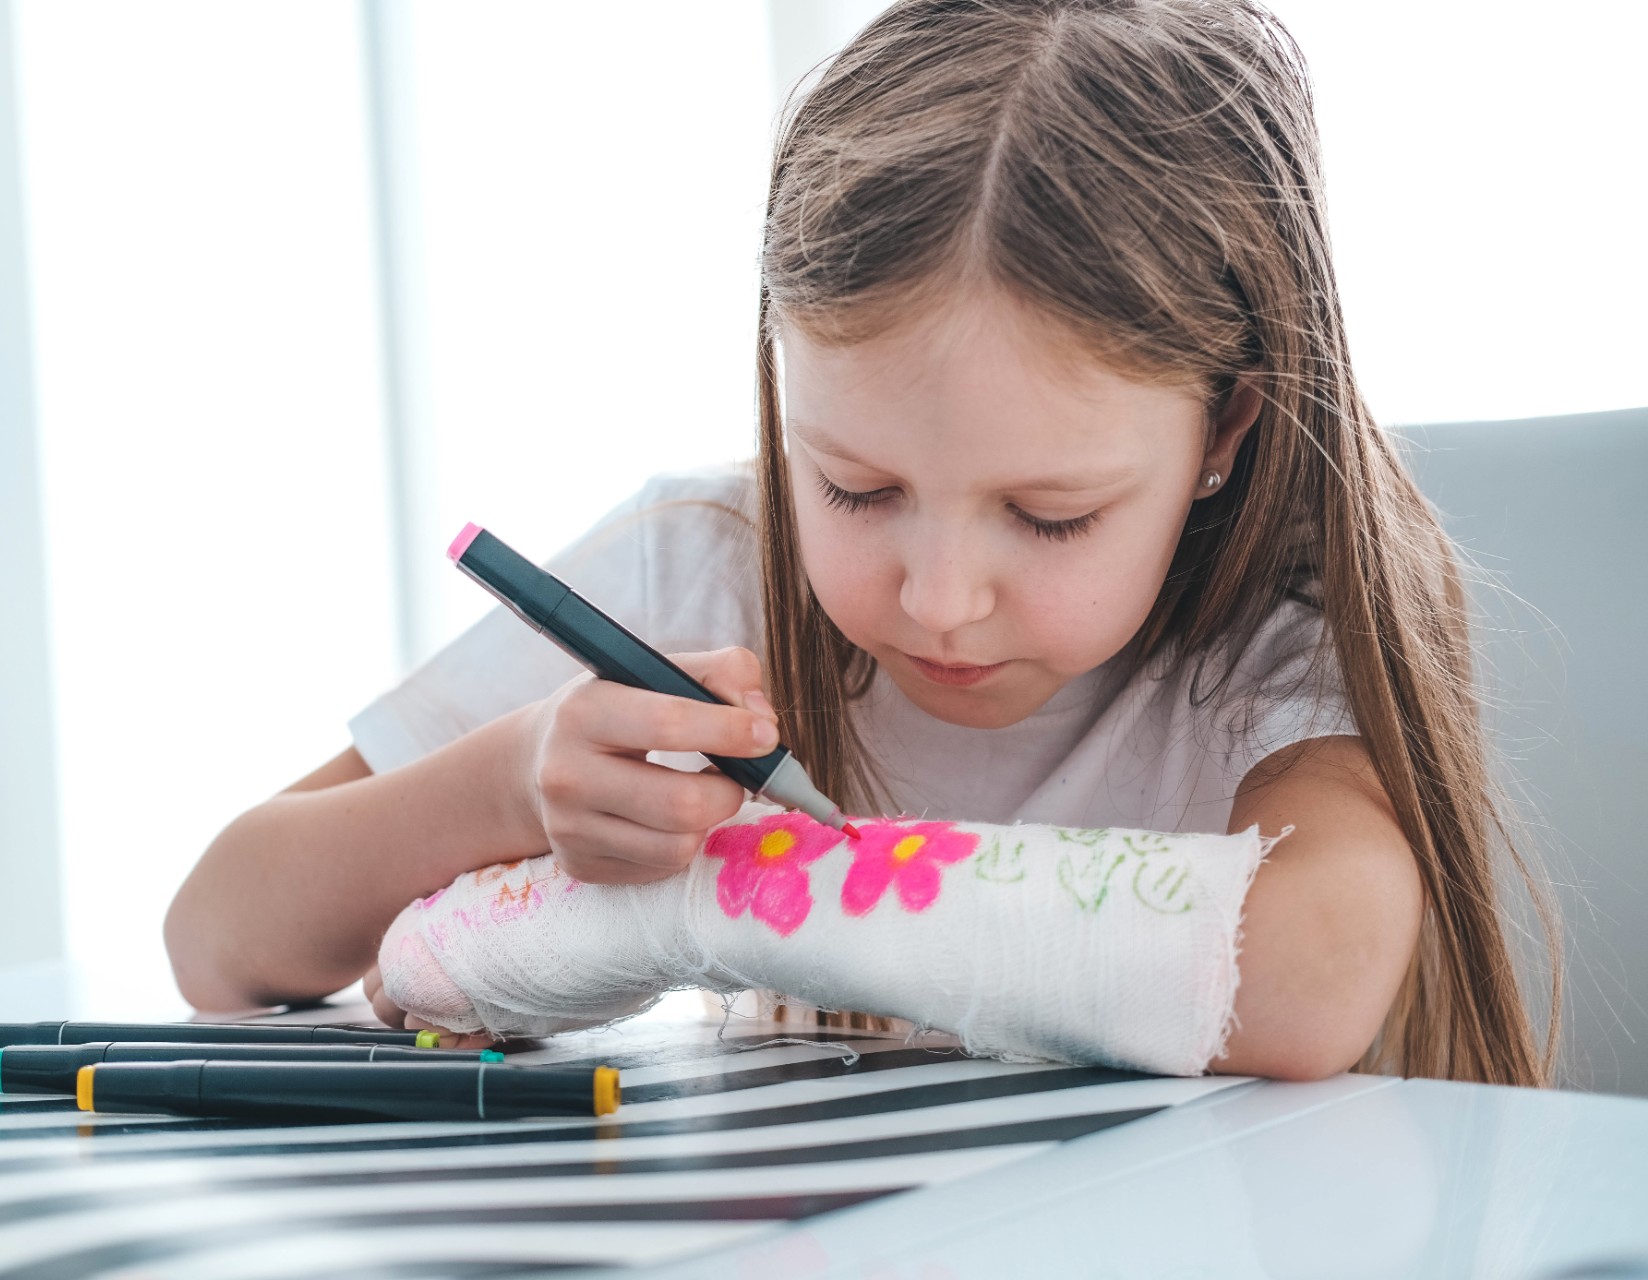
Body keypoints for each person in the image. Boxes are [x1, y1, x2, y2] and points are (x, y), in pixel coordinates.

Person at [166, 0, 1557, 1085]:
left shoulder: (1274, 628)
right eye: (853, 488)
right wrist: (511, 782)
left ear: (1224, 435)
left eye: (1050, 515)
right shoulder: (700, 564)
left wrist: (703, 906)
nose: (940, 598)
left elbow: (1314, 969)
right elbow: (217, 940)